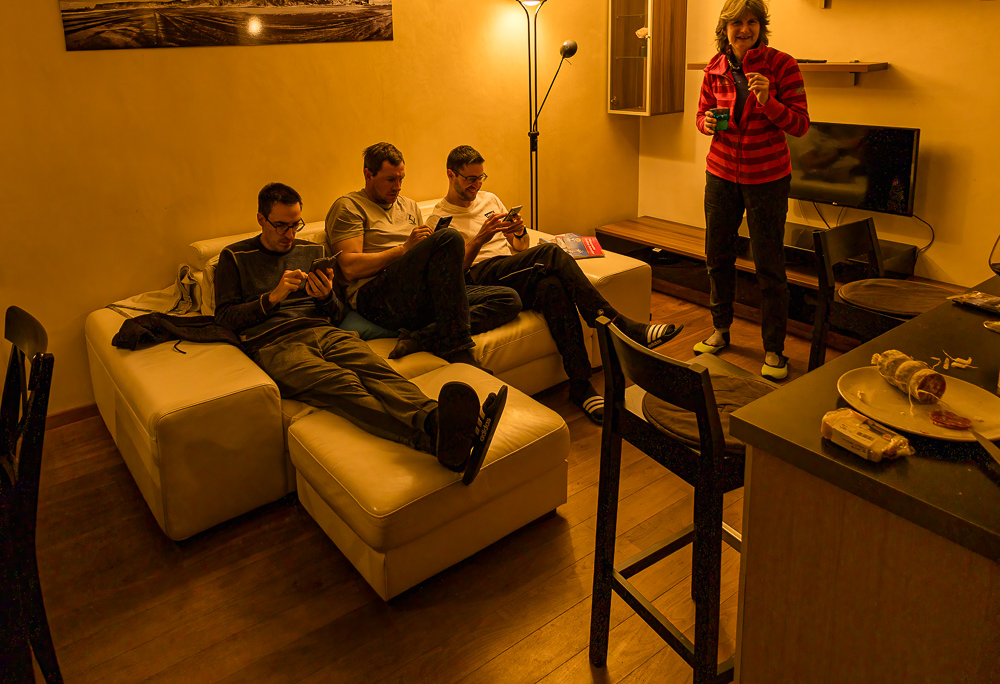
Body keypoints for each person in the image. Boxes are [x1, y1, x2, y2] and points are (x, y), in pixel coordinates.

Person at [215, 182, 506, 485]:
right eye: (280, 226)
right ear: (261, 219)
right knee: (344, 384)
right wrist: (271, 298)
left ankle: (437, 420)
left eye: (295, 225)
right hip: (275, 343)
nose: (289, 234)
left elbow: (337, 312)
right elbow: (224, 318)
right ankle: (433, 437)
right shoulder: (235, 257)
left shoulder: (311, 251)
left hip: (323, 330)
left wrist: (325, 296)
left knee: (377, 370)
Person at [429, 145, 683, 424]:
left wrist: (518, 231)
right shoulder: (439, 219)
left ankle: (580, 384)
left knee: (552, 287)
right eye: (470, 179)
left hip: (511, 271)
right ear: (451, 175)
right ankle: (619, 325)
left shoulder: (490, 199)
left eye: (481, 177)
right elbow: (451, 274)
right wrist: (480, 238)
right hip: (479, 280)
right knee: (550, 252)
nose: (477, 185)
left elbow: (520, 246)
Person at [694, 0, 809, 381]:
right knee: (717, 256)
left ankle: (774, 349)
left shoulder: (782, 65)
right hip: (721, 174)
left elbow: (800, 125)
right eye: (736, 23)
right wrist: (706, 123)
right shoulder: (714, 68)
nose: (744, 30)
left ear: (761, 27)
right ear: (725, 29)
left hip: (768, 179)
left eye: (751, 22)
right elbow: (702, 115)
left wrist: (768, 99)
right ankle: (720, 329)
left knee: (769, 265)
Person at [326, 142, 522, 364]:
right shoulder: (349, 207)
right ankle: (457, 347)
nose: (398, 187)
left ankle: (421, 338)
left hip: (416, 294)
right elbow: (350, 268)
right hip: (374, 297)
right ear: (368, 175)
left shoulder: (409, 206)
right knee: (451, 236)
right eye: (390, 180)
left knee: (508, 299)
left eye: (401, 179)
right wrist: (403, 249)